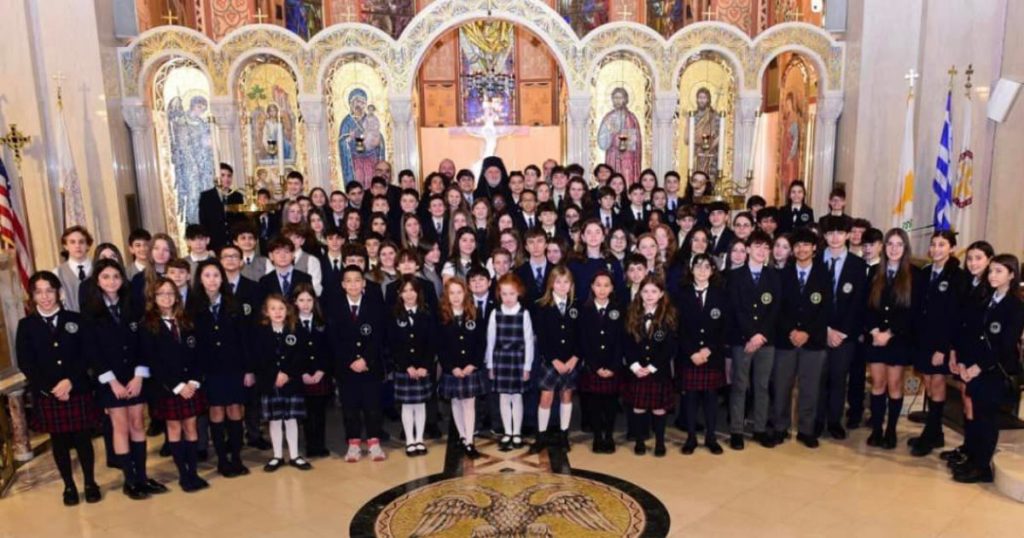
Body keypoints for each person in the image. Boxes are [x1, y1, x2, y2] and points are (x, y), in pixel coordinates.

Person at [82, 260, 167, 499]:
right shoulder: (91, 312)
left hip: (135, 378)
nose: (111, 281)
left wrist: (139, 375)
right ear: (97, 281)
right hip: (111, 382)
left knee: (138, 424)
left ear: (122, 280)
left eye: (116, 276)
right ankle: (129, 480)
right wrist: (112, 382)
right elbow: (92, 352)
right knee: (120, 427)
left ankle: (142, 476)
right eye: (106, 277)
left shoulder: (133, 306)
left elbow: (144, 343)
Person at [17, 272, 102, 505]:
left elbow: (88, 354)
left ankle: (90, 482)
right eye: (39, 291)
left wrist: (70, 381)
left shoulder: (76, 319)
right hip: (49, 394)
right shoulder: (26, 326)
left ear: (59, 293)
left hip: (77, 389)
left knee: (83, 439)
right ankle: (69, 485)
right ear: (32, 296)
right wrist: (50, 387)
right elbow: (26, 363)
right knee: (60, 442)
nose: (45, 296)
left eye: (49, 290)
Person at [951, 254, 1024, 483]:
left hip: (994, 370)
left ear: (1012, 275)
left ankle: (983, 467)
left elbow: (1005, 345)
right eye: (991, 271)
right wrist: (964, 362)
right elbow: (973, 334)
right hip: (975, 367)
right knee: (977, 414)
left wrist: (978, 367)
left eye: (999, 271)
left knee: (987, 418)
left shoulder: (1015, 306)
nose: (992, 276)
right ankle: (973, 457)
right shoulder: (987, 298)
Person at [141, 277, 209, 492]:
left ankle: (193, 472)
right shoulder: (148, 325)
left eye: (171, 293)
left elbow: (199, 353)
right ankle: (183, 474)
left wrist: (194, 381)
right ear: (153, 297)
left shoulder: (187, 320)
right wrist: (178, 386)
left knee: (191, 426)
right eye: (161, 294)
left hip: (191, 385)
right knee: (174, 428)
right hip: (168, 388)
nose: (167, 297)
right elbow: (153, 361)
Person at [190, 259, 251, 477]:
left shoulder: (233, 302)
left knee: (235, 410)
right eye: (207, 275)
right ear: (200, 279)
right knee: (216, 412)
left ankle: (236, 457)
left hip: (233, 366)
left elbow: (244, 338)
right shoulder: (193, 305)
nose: (212, 280)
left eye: (216, 275)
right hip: (209, 368)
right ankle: (222, 460)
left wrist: (248, 369)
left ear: (222, 278)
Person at [771, 228, 831, 448]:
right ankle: (780, 427)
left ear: (814, 248)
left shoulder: (823, 274)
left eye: (806, 245)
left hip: (813, 342)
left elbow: (825, 309)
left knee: (810, 387)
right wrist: (791, 331)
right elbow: (777, 308)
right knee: (782, 386)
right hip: (785, 341)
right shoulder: (782, 274)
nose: (801, 249)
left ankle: (806, 430)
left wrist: (807, 332)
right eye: (797, 246)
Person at [908, 230, 965, 457]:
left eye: (942, 245)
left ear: (951, 248)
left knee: (937, 383)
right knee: (929, 383)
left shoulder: (957, 277)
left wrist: (944, 348)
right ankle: (935, 431)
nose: (936, 249)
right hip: (923, 339)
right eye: (933, 245)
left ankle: (931, 433)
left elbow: (954, 315)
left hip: (940, 343)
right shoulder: (925, 272)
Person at [726, 231, 781, 449]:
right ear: (748, 249)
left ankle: (759, 428)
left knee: (762, 385)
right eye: (757, 246)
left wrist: (761, 335)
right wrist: (751, 334)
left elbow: (775, 308)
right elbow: (736, 308)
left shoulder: (774, 275)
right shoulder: (735, 276)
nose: (761, 251)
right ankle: (736, 430)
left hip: (766, 341)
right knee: (740, 385)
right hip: (743, 339)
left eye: (765, 248)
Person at [816, 216, 867, 441]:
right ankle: (816, 421)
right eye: (830, 233)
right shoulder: (815, 261)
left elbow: (859, 303)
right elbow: (810, 302)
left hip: (845, 335)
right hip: (818, 332)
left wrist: (841, 332)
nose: (834, 238)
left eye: (839, 233)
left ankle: (834, 421)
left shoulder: (858, 266)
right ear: (824, 236)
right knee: (818, 378)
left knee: (838, 378)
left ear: (848, 235)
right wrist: (825, 330)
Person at [864, 228, 914, 450]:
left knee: (894, 385)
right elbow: (866, 307)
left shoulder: (915, 275)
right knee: (878, 384)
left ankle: (891, 430)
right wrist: (874, 331)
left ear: (905, 248)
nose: (894, 249)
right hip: (875, 338)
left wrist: (890, 333)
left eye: (899, 244)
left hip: (898, 339)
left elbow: (912, 312)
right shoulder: (874, 272)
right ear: (884, 248)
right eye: (890, 244)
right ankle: (876, 429)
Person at [331, 265, 387, 462]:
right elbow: (334, 339)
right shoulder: (335, 307)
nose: (353, 284)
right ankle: (353, 444)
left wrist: (365, 359)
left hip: (370, 366)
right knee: (350, 407)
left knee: (372, 405)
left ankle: (374, 442)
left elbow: (378, 336)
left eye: (357, 280)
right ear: (343, 284)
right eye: (349, 281)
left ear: (364, 283)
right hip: (346, 369)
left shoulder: (374, 305)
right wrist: (350, 361)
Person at [676, 254, 728, 455]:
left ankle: (711, 437)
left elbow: (725, 327)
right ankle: (690, 437)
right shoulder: (681, 295)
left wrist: (709, 349)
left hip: (712, 356)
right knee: (690, 398)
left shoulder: (721, 295)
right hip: (689, 356)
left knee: (710, 398)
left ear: (713, 270)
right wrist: (691, 352)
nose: (702, 270)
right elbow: (677, 328)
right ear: (691, 269)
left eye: (707, 266)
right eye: (697, 266)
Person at [253, 293, 311, 472]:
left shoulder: (296, 329)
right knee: (275, 420)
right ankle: (277, 455)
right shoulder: (260, 332)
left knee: (291, 419)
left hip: (291, 382)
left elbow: (301, 356)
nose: (277, 312)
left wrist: (287, 373)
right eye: (273, 308)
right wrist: (274, 375)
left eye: (281, 308)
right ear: (266, 312)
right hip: (270, 383)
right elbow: (259, 358)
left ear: (288, 310)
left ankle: (294, 455)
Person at [623, 275, 677, 457]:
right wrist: (635, 366)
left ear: (661, 294)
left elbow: (670, 347)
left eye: (654, 291)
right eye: (645, 291)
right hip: (637, 370)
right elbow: (627, 343)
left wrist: (653, 366)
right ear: (640, 293)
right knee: (638, 407)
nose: (649, 295)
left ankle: (660, 442)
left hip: (658, 371)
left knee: (658, 408)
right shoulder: (631, 313)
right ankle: (639, 441)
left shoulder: (668, 315)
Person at [529, 266, 580, 454]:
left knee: (566, 396)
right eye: (558, 282)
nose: (562, 286)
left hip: (571, 361)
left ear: (571, 284)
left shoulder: (576, 305)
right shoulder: (542, 306)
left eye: (566, 282)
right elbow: (541, 337)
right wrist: (553, 360)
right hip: (550, 361)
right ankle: (541, 435)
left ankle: (563, 435)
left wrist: (575, 357)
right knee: (546, 397)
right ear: (551, 284)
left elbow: (581, 336)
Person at [386, 276, 436, 456]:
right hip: (404, 368)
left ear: (418, 293)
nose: (409, 294)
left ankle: (420, 439)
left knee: (421, 404)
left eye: (412, 290)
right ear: (399, 294)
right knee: (407, 405)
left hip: (422, 367)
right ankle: (409, 440)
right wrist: (406, 366)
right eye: (405, 291)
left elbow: (431, 343)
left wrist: (425, 366)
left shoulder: (427, 313)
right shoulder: (394, 314)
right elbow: (393, 344)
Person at [485, 273, 534, 450]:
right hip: (501, 360)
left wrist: (527, 366)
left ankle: (517, 432)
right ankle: (507, 431)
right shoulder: (495, 313)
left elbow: (529, 342)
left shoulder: (524, 313)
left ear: (519, 293)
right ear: (499, 294)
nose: (508, 298)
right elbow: (490, 341)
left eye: (511, 294)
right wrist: (490, 365)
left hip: (518, 360)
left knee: (517, 397)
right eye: (504, 294)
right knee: (504, 397)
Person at [576, 270, 624, 453]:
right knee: (594, 404)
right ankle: (597, 436)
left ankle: (609, 436)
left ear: (612, 288)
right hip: (592, 366)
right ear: (591, 287)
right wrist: (595, 366)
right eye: (598, 285)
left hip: (613, 365)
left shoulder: (618, 310)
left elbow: (621, 340)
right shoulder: (584, 309)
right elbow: (583, 341)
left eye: (606, 285)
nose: (602, 289)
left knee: (611, 404)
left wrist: (613, 366)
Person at [198, 163, 244, 251]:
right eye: (222, 175)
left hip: (234, 243)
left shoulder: (237, 196)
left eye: (229, 176)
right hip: (215, 244)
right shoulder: (206, 196)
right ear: (216, 178)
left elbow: (240, 221)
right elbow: (203, 223)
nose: (226, 179)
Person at [54, 226, 94, 312]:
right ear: (65, 246)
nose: (77, 246)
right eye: (72, 242)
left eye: (81, 242)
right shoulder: (57, 273)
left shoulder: (98, 268)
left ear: (88, 245)